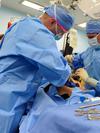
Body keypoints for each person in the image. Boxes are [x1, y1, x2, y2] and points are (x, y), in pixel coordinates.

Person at [0, 4, 74, 133]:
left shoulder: (22, 24)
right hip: (9, 97)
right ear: (52, 21)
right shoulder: (37, 32)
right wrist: (67, 73)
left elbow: (32, 63)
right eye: (61, 32)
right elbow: (58, 72)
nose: (59, 36)